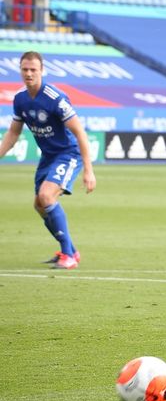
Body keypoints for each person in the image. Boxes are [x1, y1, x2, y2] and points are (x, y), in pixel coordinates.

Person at [0, 51, 96, 269]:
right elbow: (13, 134)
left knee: (46, 195)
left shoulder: (55, 98)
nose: (29, 73)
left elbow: (80, 132)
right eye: (25, 69)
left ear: (42, 71)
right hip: (48, 157)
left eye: (33, 69)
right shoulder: (20, 99)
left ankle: (68, 257)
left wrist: (89, 170)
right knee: (39, 205)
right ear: (20, 71)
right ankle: (71, 250)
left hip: (68, 153)